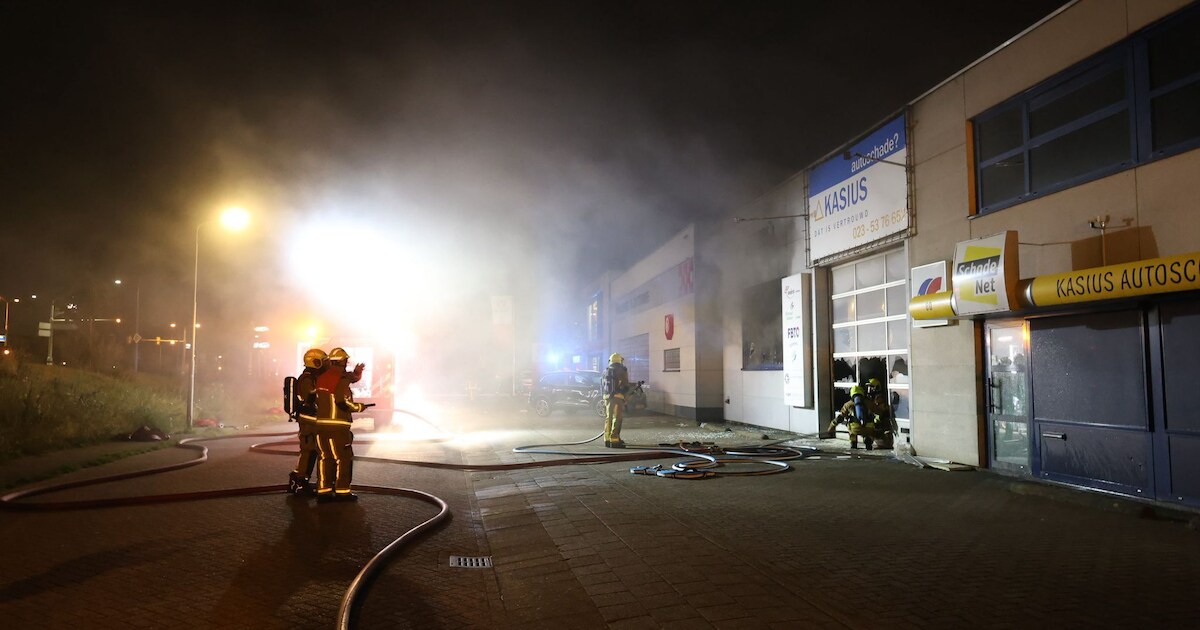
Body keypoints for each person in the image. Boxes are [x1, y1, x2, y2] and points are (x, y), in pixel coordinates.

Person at [314, 347, 367, 503]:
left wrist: (357, 373)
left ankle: (324, 491)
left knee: (325, 458)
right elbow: (342, 401)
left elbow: (349, 378)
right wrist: (359, 407)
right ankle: (342, 491)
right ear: (343, 361)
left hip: (321, 426)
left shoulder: (322, 377)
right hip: (338, 427)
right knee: (343, 458)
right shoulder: (341, 378)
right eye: (346, 361)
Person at [288, 348, 327, 495]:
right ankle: (300, 482)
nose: (325, 365)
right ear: (315, 363)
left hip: (312, 420)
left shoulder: (313, 377)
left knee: (312, 451)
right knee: (308, 451)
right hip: (307, 420)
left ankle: (301, 480)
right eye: (323, 362)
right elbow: (310, 397)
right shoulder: (306, 379)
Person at [826, 384, 881, 449]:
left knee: (851, 429)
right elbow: (879, 412)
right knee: (871, 432)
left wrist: (831, 427)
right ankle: (868, 439)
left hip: (855, 428)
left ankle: (853, 442)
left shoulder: (848, 404)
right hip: (868, 428)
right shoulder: (869, 403)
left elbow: (840, 418)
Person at [602, 352, 629, 448]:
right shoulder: (622, 370)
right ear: (620, 360)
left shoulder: (605, 371)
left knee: (608, 417)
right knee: (617, 418)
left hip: (607, 397)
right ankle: (614, 440)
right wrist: (624, 394)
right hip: (617, 397)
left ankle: (607, 439)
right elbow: (625, 384)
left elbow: (602, 385)